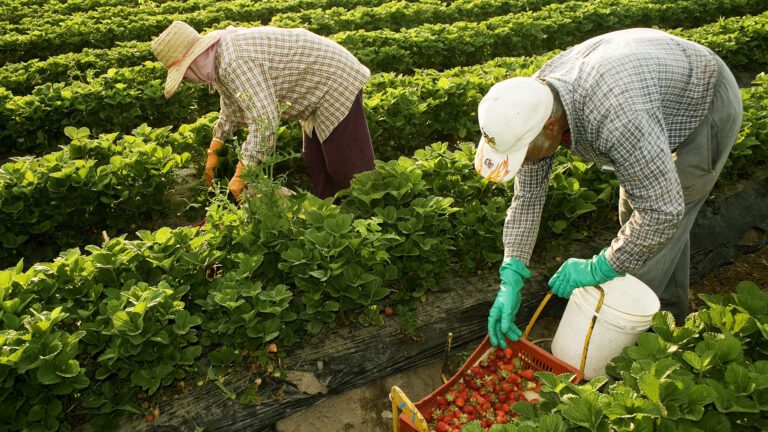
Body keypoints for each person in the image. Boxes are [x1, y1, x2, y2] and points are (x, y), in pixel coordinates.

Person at [475, 28, 743, 349]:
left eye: (520, 154)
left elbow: (663, 211)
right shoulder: (532, 101)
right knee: (637, 218)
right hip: (647, 88)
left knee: (653, 232)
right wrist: (512, 271)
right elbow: (528, 196)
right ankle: (671, 319)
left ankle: (626, 351)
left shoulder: (617, 116)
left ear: (550, 127)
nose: (521, 163)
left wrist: (602, 267)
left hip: (703, 99)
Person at [151, 21, 376, 200]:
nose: (188, 81)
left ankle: (366, 219)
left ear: (192, 63)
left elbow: (264, 118)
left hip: (334, 80)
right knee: (316, 161)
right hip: (313, 89)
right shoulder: (219, 60)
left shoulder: (234, 60)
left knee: (345, 165)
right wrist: (216, 148)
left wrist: (243, 171)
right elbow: (232, 107)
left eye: (184, 75)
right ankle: (331, 220)